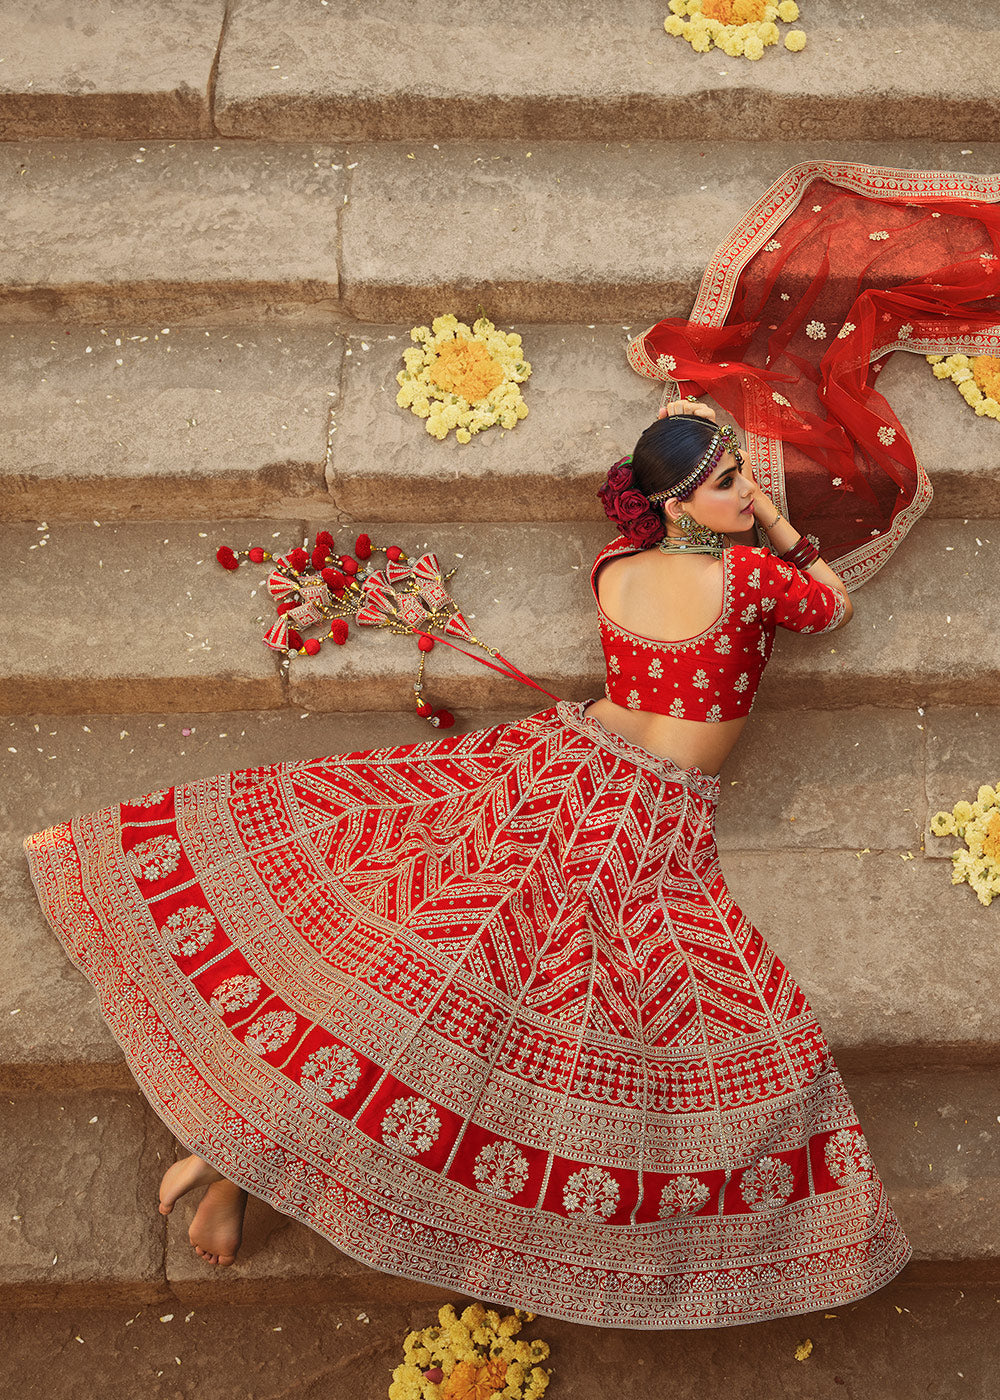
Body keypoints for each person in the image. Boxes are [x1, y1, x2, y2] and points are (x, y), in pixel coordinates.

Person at [24, 405, 910, 1329]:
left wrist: (718, 495)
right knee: (479, 989)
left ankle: (226, 1160)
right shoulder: (757, 576)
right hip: (642, 817)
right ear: (677, 503)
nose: (748, 491)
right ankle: (233, 1160)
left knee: (417, 953)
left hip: (566, 761)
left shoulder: (611, 569)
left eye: (743, 480)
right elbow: (833, 606)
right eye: (727, 481)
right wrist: (776, 521)